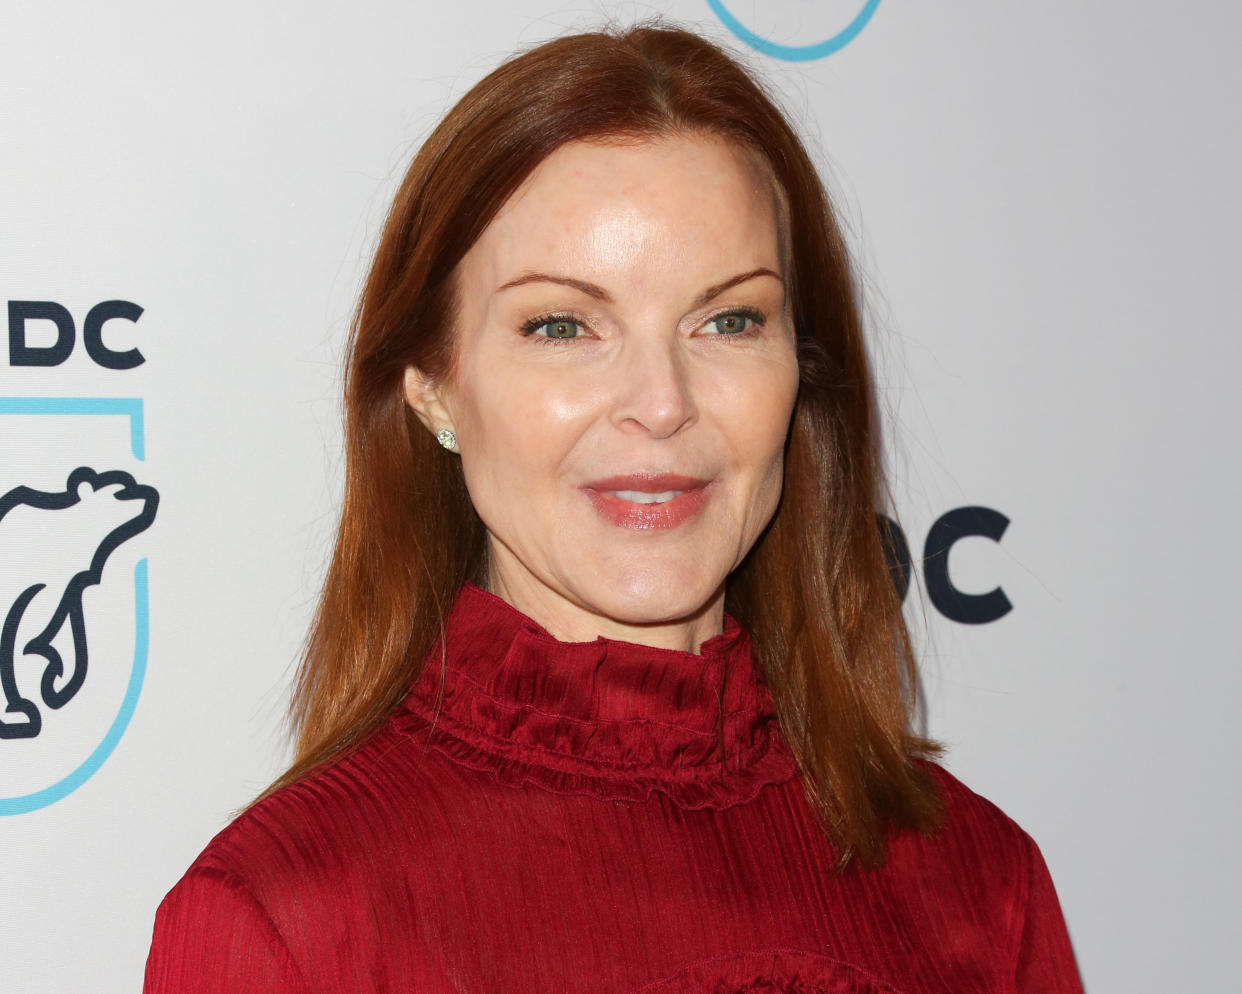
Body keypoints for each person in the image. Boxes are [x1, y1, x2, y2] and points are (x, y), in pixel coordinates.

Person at [144, 23, 1084, 993]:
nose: (662, 401)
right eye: (562, 325)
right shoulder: (287, 918)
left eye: (729, 319)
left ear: (799, 370)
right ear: (432, 387)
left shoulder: (979, 881)